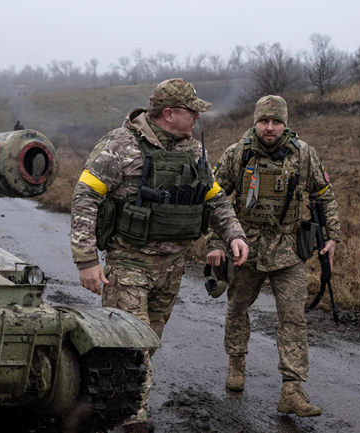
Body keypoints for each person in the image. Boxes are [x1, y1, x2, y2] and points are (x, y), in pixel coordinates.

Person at [70, 78, 249, 432]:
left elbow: (214, 197)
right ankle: (132, 418)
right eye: (192, 111)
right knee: (131, 345)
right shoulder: (119, 145)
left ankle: (102, 396)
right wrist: (86, 259)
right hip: (129, 264)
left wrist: (234, 234)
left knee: (148, 343)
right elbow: (85, 196)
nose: (198, 117)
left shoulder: (192, 149)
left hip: (173, 266)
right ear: (169, 114)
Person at [206, 95, 340, 417]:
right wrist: (215, 242)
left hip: (289, 251)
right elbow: (214, 198)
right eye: (264, 121)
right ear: (255, 122)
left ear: (285, 124)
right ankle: (236, 365)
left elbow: (324, 195)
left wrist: (333, 236)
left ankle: (292, 390)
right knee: (237, 309)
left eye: (276, 121)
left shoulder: (304, 154)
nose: (270, 127)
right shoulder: (237, 154)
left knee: (293, 318)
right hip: (245, 249)